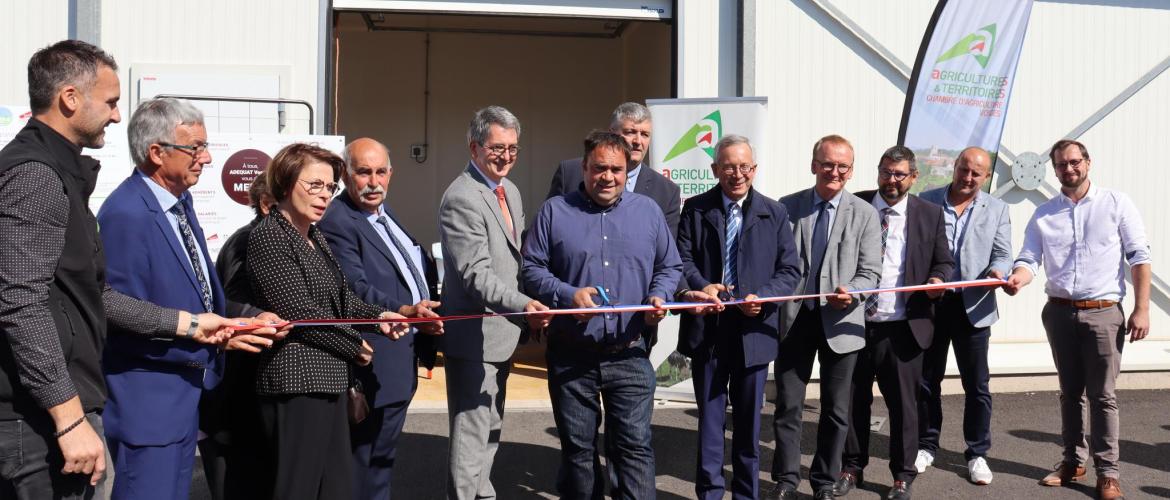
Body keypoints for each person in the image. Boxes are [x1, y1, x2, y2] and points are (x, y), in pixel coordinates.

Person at [0, 40, 256, 500]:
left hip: (66, 408)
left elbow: (93, 294)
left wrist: (192, 324)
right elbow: (21, 303)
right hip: (43, 418)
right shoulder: (36, 175)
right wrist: (69, 416)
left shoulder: (61, 173)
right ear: (70, 98)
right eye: (112, 102)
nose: (118, 117)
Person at [97, 98, 284, 500]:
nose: (207, 157)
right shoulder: (127, 214)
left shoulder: (180, 202)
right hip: (149, 404)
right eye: (195, 147)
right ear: (156, 153)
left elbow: (199, 290)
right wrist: (201, 333)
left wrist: (237, 321)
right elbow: (116, 310)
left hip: (185, 397)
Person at [522, 130, 682, 499]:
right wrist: (566, 294)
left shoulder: (648, 212)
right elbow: (532, 268)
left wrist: (658, 296)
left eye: (616, 169)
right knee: (578, 451)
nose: (607, 177)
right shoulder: (554, 211)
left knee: (634, 448)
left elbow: (669, 266)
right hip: (571, 354)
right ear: (584, 167)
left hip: (630, 351)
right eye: (599, 168)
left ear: (628, 171)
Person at [246, 143, 408, 500]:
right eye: (314, 185)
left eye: (330, 187)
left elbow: (342, 298)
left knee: (335, 487)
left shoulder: (313, 235)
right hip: (297, 383)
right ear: (286, 183)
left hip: (330, 380)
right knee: (299, 488)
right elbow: (299, 311)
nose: (324, 195)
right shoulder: (270, 235)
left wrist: (379, 316)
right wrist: (354, 345)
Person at [1003, 139, 1151, 500]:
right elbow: (1028, 258)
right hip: (1058, 312)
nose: (1068, 169)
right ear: (1053, 170)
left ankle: (1108, 473)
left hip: (1103, 313)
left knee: (1102, 396)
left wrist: (1142, 308)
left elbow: (1139, 257)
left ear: (1088, 162)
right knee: (1070, 394)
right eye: (1061, 165)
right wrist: (1018, 278)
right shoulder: (1045, 214)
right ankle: (1073, 462)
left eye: (1074, 162)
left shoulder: (1116, 204)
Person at [674, 135, 801, 500]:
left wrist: (763, 297)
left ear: (754, 170)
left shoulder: (773, 212)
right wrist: (701, 285)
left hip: (754, 332)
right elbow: (682, 261)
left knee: (748, 427)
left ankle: (747, 494)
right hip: (709, 330)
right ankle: (710, 494)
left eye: (744, 166)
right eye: (728, 166)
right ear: (715, 170)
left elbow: (789, 271)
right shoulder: (695, 208)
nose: (737, 173)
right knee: (711, 425)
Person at [318, 137, 442, 500]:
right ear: (344, 173)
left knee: (380, 462)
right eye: (363, 172)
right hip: (374, 361)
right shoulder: (339, 219)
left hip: (400, 356)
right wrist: (404, 311)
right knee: (365, 466)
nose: (373, 182)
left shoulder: (382, 214)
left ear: (391, 173)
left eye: (380, 172)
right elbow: (354, 287)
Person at [439, 105, 550, 500]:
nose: (506, 156)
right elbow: (475, 275)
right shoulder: (462, 198)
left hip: (501, 335)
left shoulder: (509, 190)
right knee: (471, 437)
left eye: (513, 149)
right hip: (474, 339)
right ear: (474, 147)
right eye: (497, 147)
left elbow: (516, 260)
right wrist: (524, 305)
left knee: (491, 429)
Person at [766, 135, 882, 500]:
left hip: (842, 323)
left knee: (836, 410)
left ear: (851, 171)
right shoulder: (788, 207)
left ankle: (824, 482)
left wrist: (854, 291)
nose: (835, 171)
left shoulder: (865, 213)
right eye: (828, 164)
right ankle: (785, 480)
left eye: (842, 166)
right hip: (794, 320)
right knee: (788, 406)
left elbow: (871, 273)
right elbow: (777, 263)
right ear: (814, 165)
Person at [837, 146, 953, 500]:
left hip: (903, 326)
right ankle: (851, 468)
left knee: (904, 406)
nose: (891, 180)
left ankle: (902, 476)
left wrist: (937, 282)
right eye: (886, 172)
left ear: (913, 178)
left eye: (899, 174)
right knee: (852, 401)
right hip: (853, 322)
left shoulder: (929, 214)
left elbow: (944, 262)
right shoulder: (854, 204)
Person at [916, 147, 1011, 485]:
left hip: (975, 305)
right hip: (931, 304)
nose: (968, 178)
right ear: (954, 168)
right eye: (964, 170)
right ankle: (926, 445)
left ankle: (977, 452)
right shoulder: (924, 201)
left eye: (977, 174)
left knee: (977, 385)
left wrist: (998, 273)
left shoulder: (998, 209)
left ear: (986, 177)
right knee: (927, 380)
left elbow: (1002, 254)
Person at [200, 173, 278, 500]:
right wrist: (257, 315)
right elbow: (228, 303)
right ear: (267, 205)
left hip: (252, 393)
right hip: (238, 394)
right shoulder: (249, 242)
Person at [545, 102, 680, 235]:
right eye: (630, 132)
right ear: (612, 133)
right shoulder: (569, 173)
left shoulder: (666, 191)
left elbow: (666, 252)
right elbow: (548, 228)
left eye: (645, 134)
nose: (638, 141)